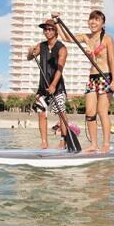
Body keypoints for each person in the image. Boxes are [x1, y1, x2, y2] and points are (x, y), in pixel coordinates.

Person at [54, 10, 114, 153]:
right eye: (91, 19)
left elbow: (112, 60)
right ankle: (94, 145)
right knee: (89, 113)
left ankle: (106, 144)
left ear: (102, 24)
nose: (93, 22)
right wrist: (57, 22)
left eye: (97, 20)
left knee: (102, 112)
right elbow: (67, 38)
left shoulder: (107, 39)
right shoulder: (85, 37)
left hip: (105, 76)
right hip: (92, 78)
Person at [27, 18, 71, 149]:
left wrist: (53, 85)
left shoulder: (62, 48)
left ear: (56, 31)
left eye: (51, 29)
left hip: (57, 87)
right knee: (41, 113)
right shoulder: (41, 45)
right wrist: (30, 52)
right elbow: (30, 58)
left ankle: (64, 140)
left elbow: (60, 68)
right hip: (42, 88)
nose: (47, 31)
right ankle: (44, 142)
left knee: (61, 113)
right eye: (45, 29)